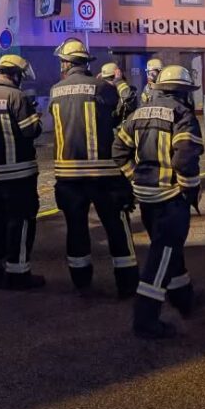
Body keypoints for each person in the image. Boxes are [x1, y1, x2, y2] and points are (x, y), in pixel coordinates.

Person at [113, 65, 204, 339]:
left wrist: (134, 177)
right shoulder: (183, 115)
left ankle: (183, 299)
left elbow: (119, 149)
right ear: (183, 92)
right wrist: (189, 190)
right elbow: (185, 159)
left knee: (169, 250)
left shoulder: (139, 113)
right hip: (170, 198)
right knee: (162, 256)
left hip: (146, 196)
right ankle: (145, 318)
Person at [49, 38, 139, 298]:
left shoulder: (55, 90)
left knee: (76, 229)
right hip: (105, 174)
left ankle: (82, 282)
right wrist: (118, 82)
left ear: (66, 64)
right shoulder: (102, 87)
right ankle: (127, 283)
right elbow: (126, 109)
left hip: (68, 175)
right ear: (86, 63)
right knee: (116, 227)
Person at [0, 54, 45, 290]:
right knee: (20, 223)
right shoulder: (16, 96)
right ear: (15, 75)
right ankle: (18, 274)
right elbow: (30, 131)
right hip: (19, 174)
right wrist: (36, 116)